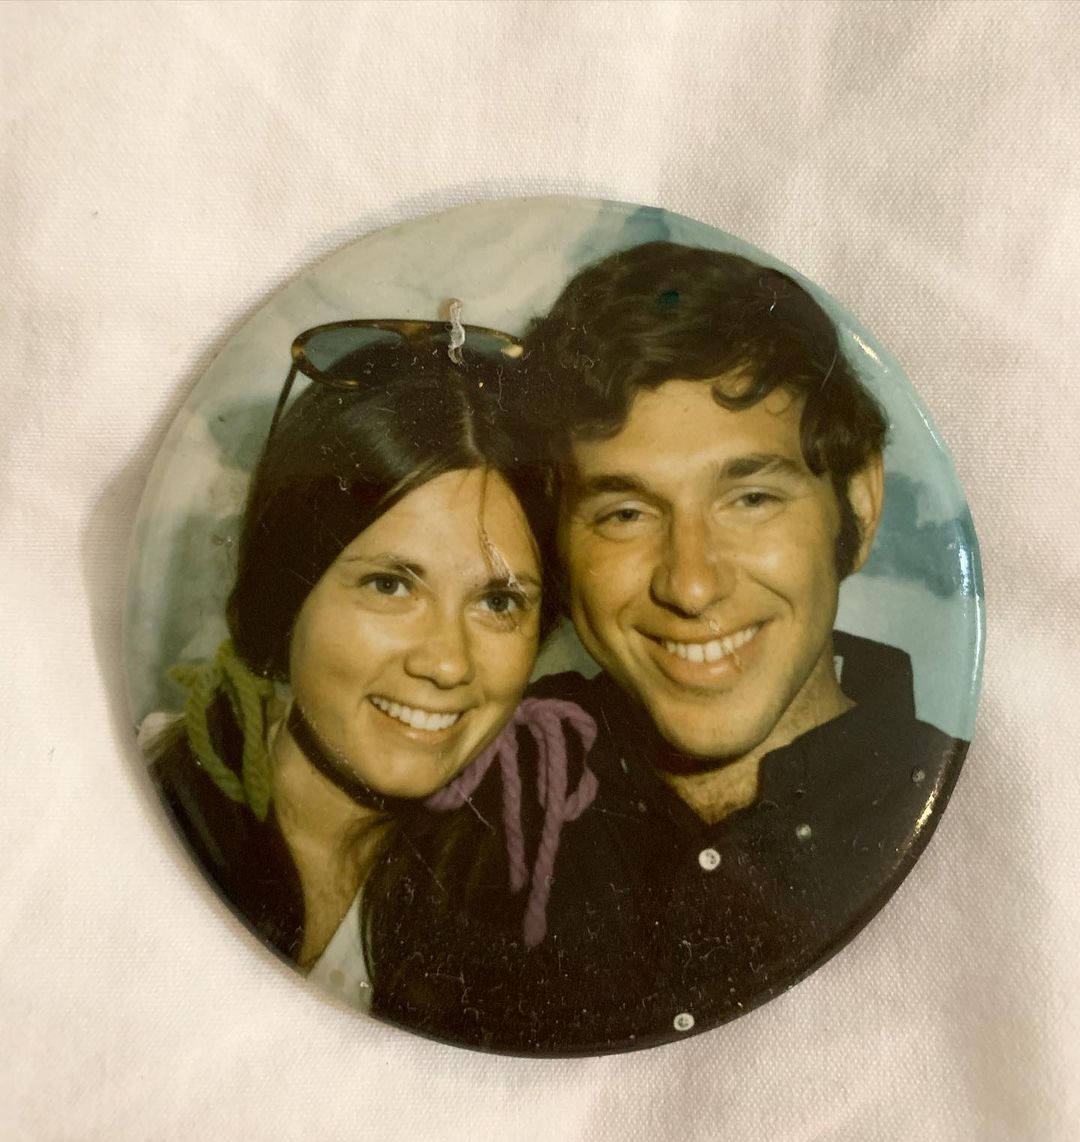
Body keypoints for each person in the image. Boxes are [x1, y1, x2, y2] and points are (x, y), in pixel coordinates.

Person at [394, 243, 969, 1054]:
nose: (691, 586)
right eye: (625, 513)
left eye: (751, 498)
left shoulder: (990, 832)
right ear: (558, 544)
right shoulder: (461, 801)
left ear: (859, 505)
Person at [147, 321, 596, 1016]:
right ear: (287, 593)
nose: (446, 662)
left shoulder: (520, 899)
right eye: (390, 585)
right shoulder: (130, 805)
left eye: (498, 601)